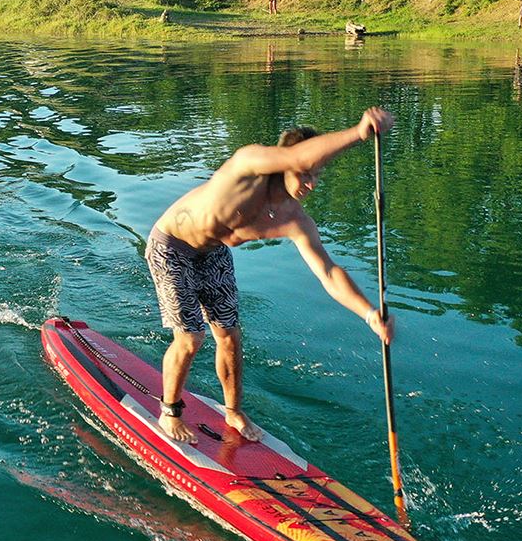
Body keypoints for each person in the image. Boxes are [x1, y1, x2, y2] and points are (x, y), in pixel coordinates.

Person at [145, 107, 396, 443]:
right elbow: (298, 155)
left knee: (230, 338)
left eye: (317, 175)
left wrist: (369, 314)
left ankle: (233, 411)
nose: (310, 183)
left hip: (214, 251)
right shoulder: (248, 165)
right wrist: (358, 133)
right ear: (286, 162)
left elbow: (328, 271)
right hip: (172, 246)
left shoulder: (294, 218)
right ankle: (170, 411)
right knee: (191, 338)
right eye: (305, 173)